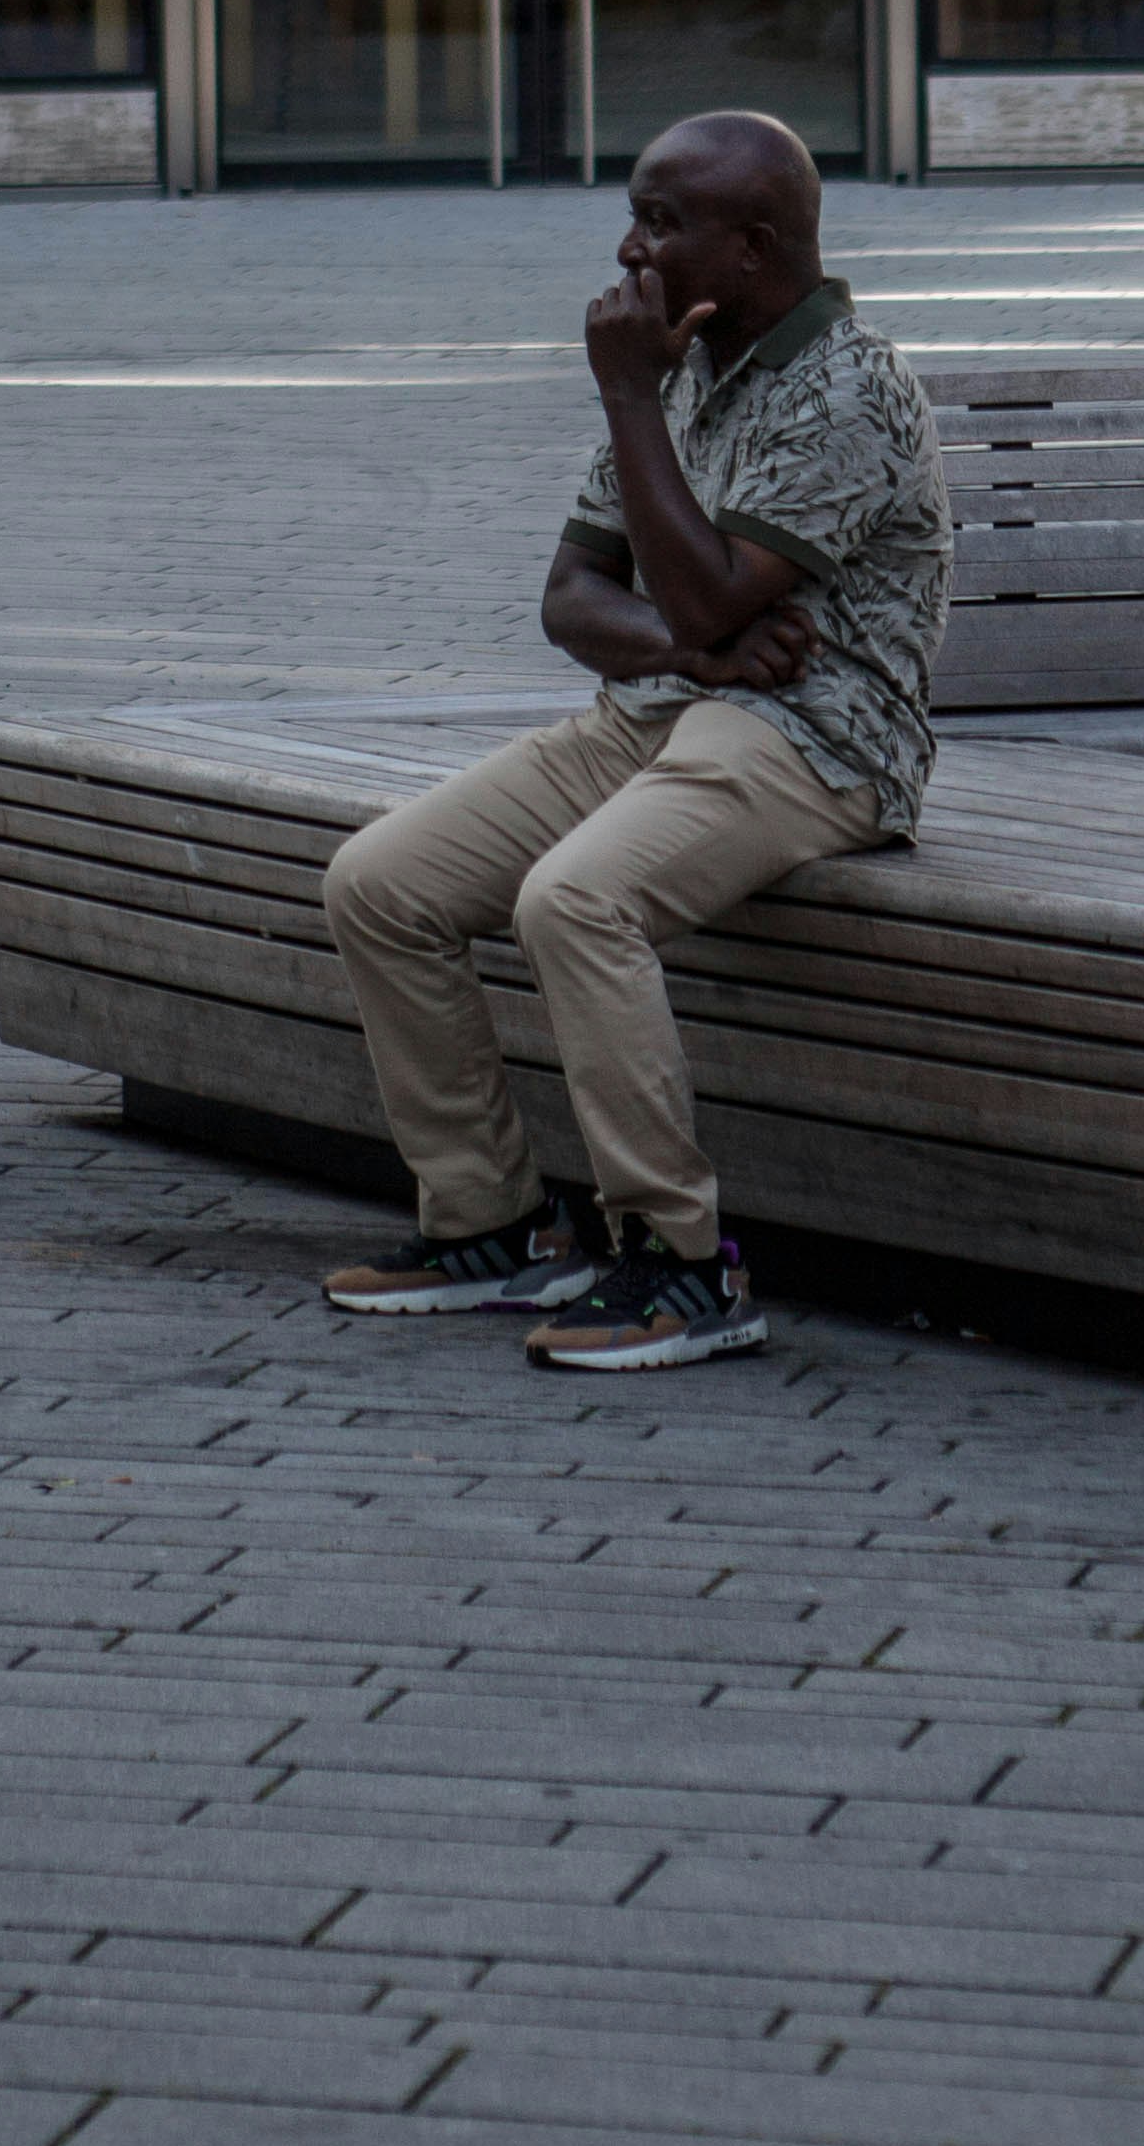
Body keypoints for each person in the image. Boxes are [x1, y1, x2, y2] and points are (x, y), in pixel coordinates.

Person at [316, 108, 949, 1373]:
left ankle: (680, 1262)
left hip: (821, 739)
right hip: (658, 715)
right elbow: (572, 600)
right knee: (380, 884)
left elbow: (711, 590)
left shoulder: (853, 387)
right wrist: (685, 649)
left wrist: (626, 405)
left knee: (576, 902)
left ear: (755, 245)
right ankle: (490, 1221)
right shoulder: (685, 370)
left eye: (662, 222)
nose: (628, 249)